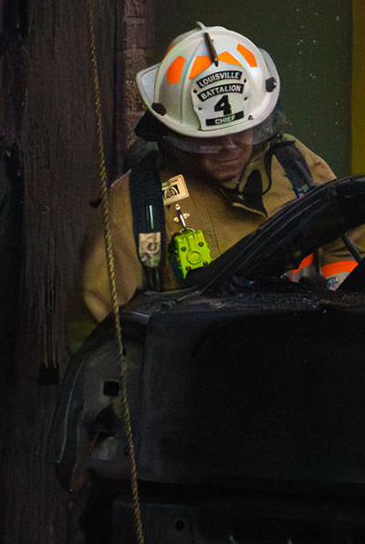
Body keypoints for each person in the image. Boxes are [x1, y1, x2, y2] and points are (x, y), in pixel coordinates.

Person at [69, 23, 350, 347]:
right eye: (211, 139)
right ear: (176, 135)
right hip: (192, 383)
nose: (230, 147)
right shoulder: (134, 207)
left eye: (243, 131)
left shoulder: (296, 166)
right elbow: (90, 337)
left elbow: (343, 253)